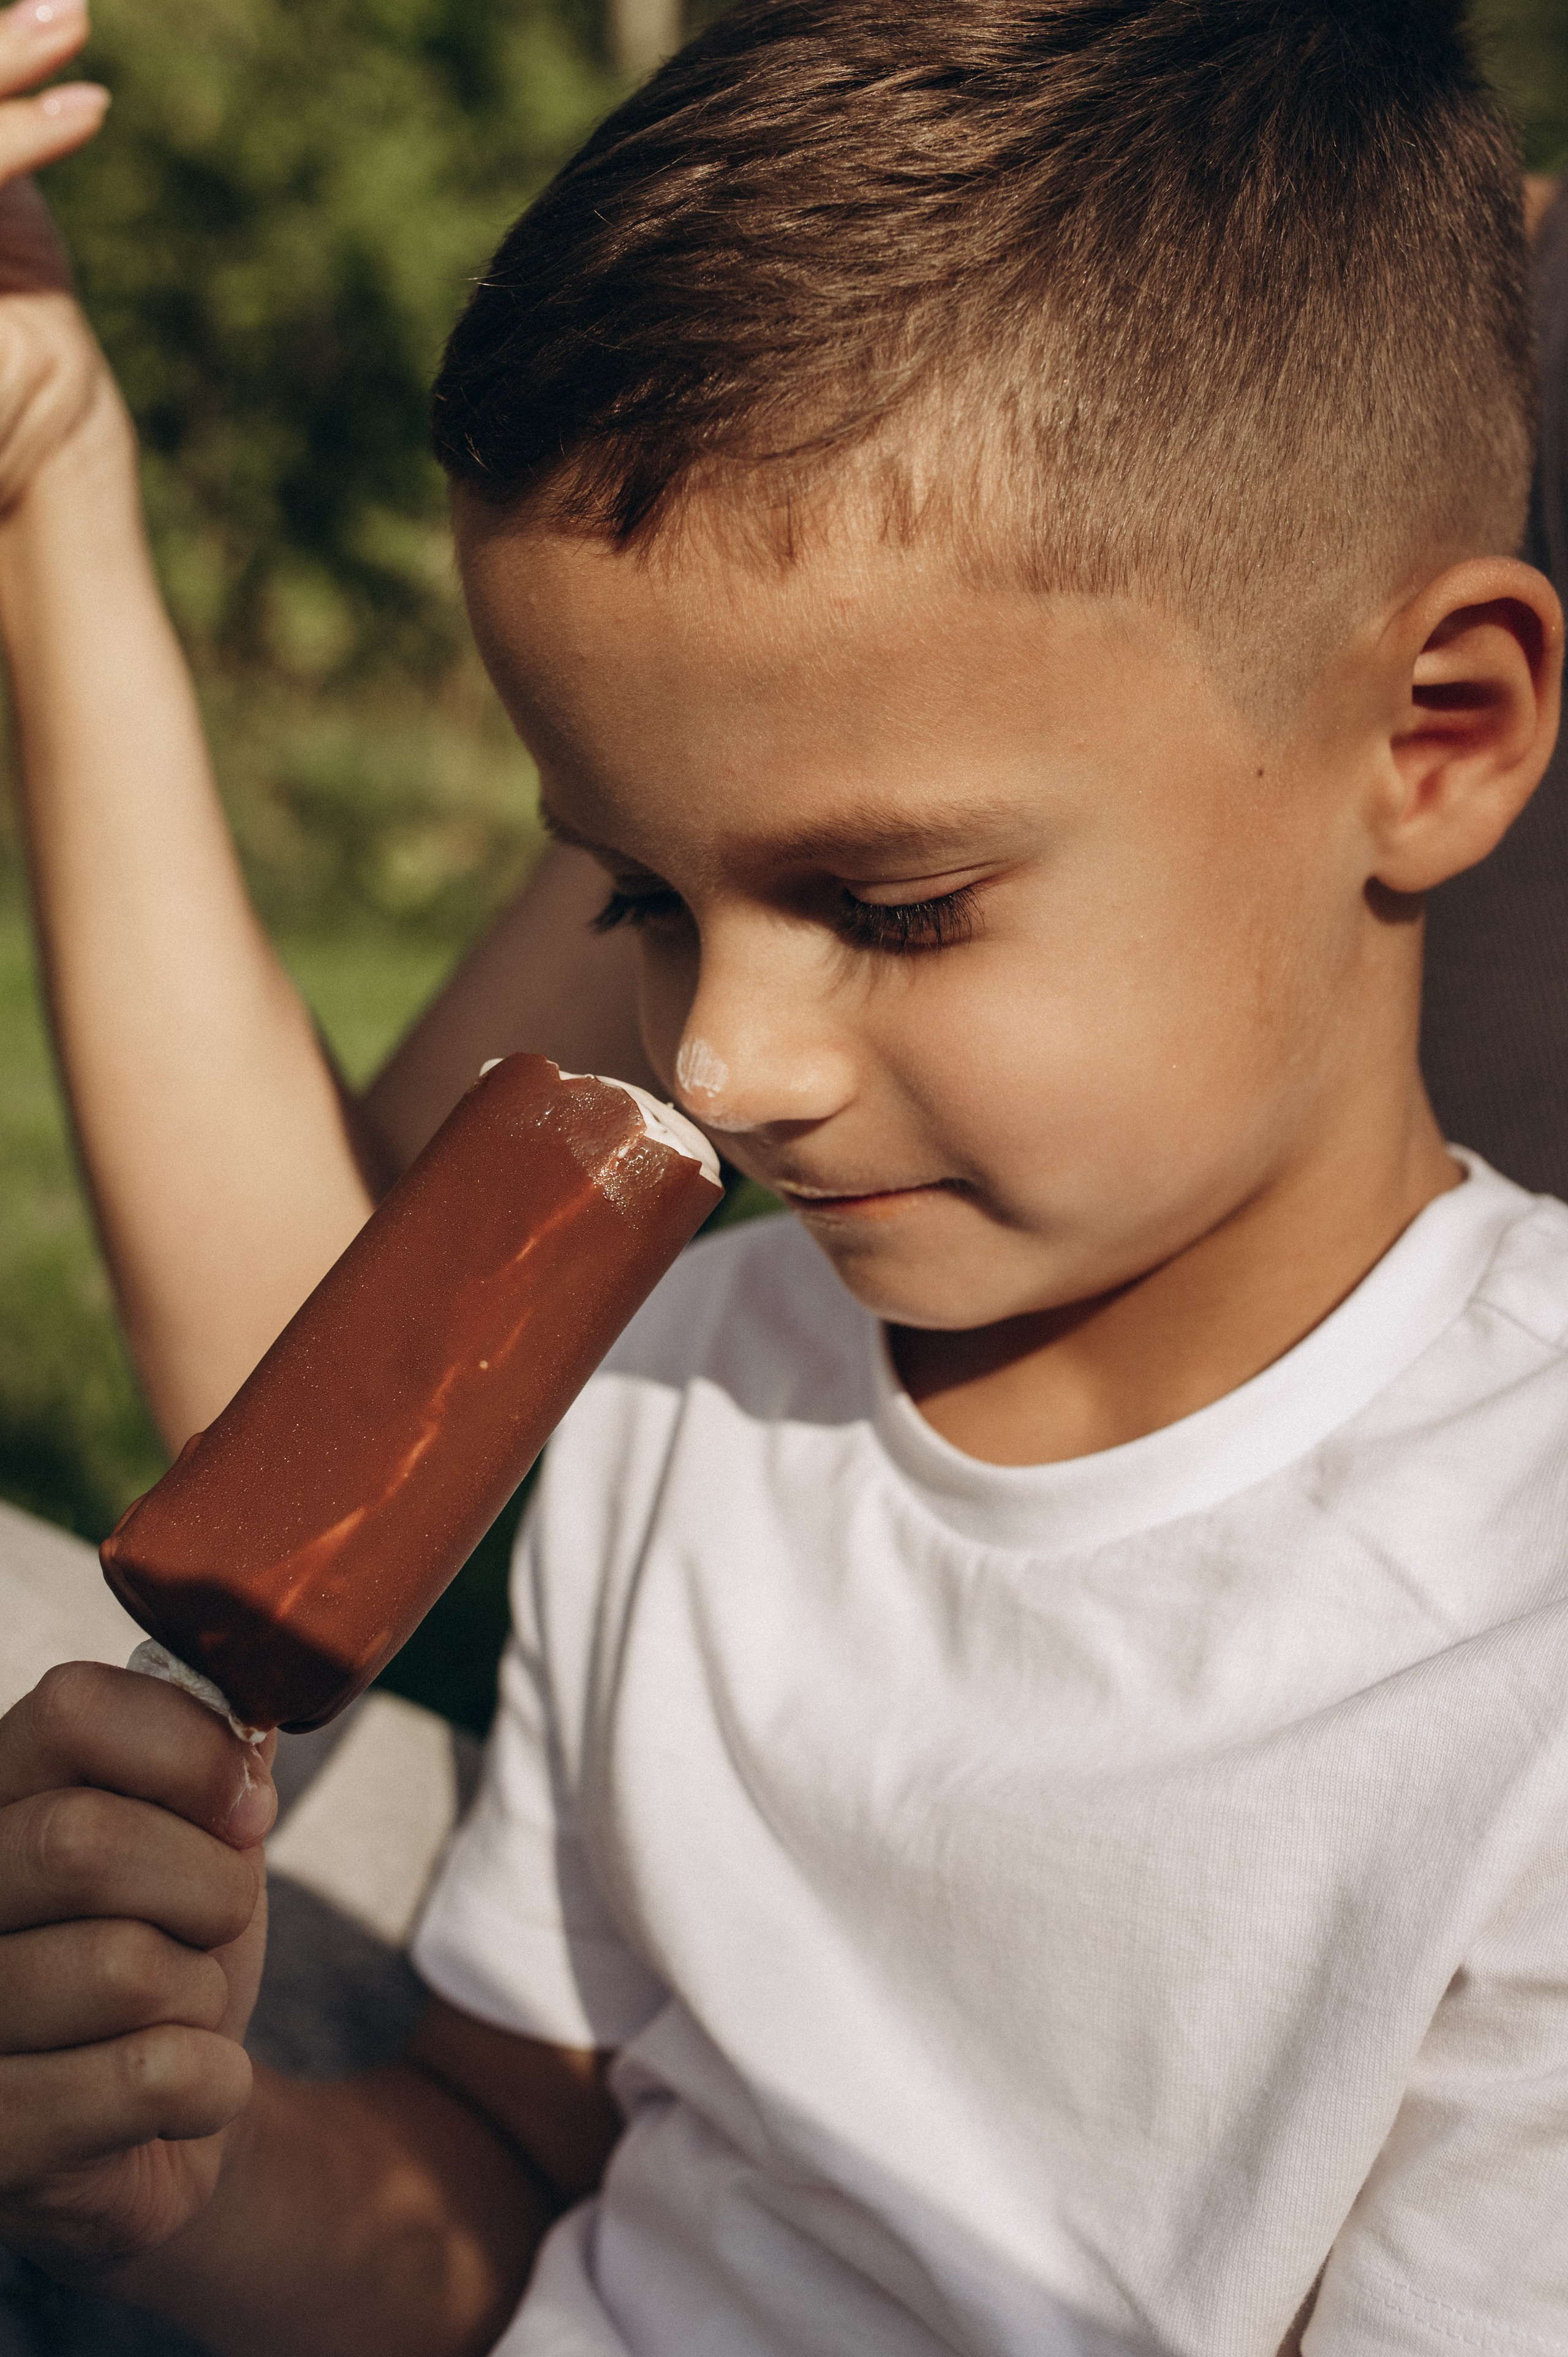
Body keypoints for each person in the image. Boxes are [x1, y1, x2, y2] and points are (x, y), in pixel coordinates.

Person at [4, 1, 1568, 2353]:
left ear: (1432, 740)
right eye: (640, 898)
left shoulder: (1512, 1651)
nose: (718, 1065)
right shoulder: (695, 1389)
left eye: (895, 905)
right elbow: (510, 2173)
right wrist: (145, 2177)